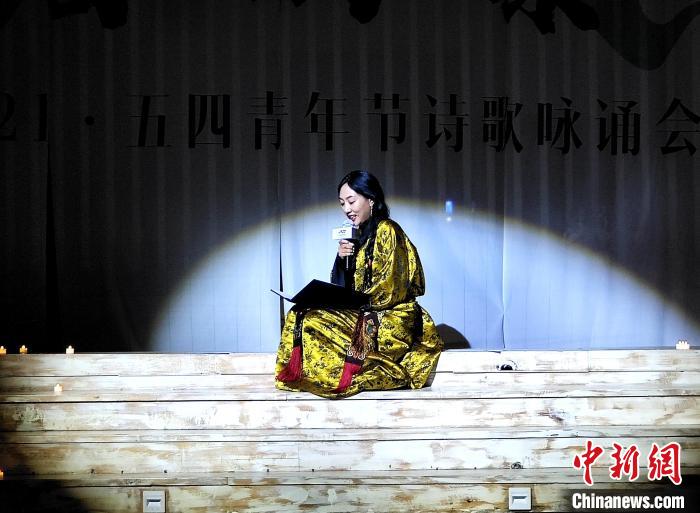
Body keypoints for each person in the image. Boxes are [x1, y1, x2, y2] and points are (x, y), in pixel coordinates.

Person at [275, 170, 444, 398]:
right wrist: (342, 260)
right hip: (362, 309)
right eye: (342, 203)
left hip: (390, 315)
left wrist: (353, 304)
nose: (346, 209)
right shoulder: (358, 236)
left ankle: (340, 377)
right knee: (299, 313)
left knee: (314, 320)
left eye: (351, 201)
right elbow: (344, 287)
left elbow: (389, 288)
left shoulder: (388, 230)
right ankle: (310, 376)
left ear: (371, 199)